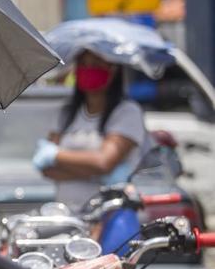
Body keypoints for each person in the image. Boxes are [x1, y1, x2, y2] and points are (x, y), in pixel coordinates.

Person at [33, 49, 152, 211]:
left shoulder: (127, 112)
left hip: (109, 218)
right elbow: (48, 170)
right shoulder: (66, 113)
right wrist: (101, 174)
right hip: (69, 217)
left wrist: (56, 155)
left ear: (114, 69)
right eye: (83, 64)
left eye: (96, 64)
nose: (88, 69)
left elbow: (103, 161)